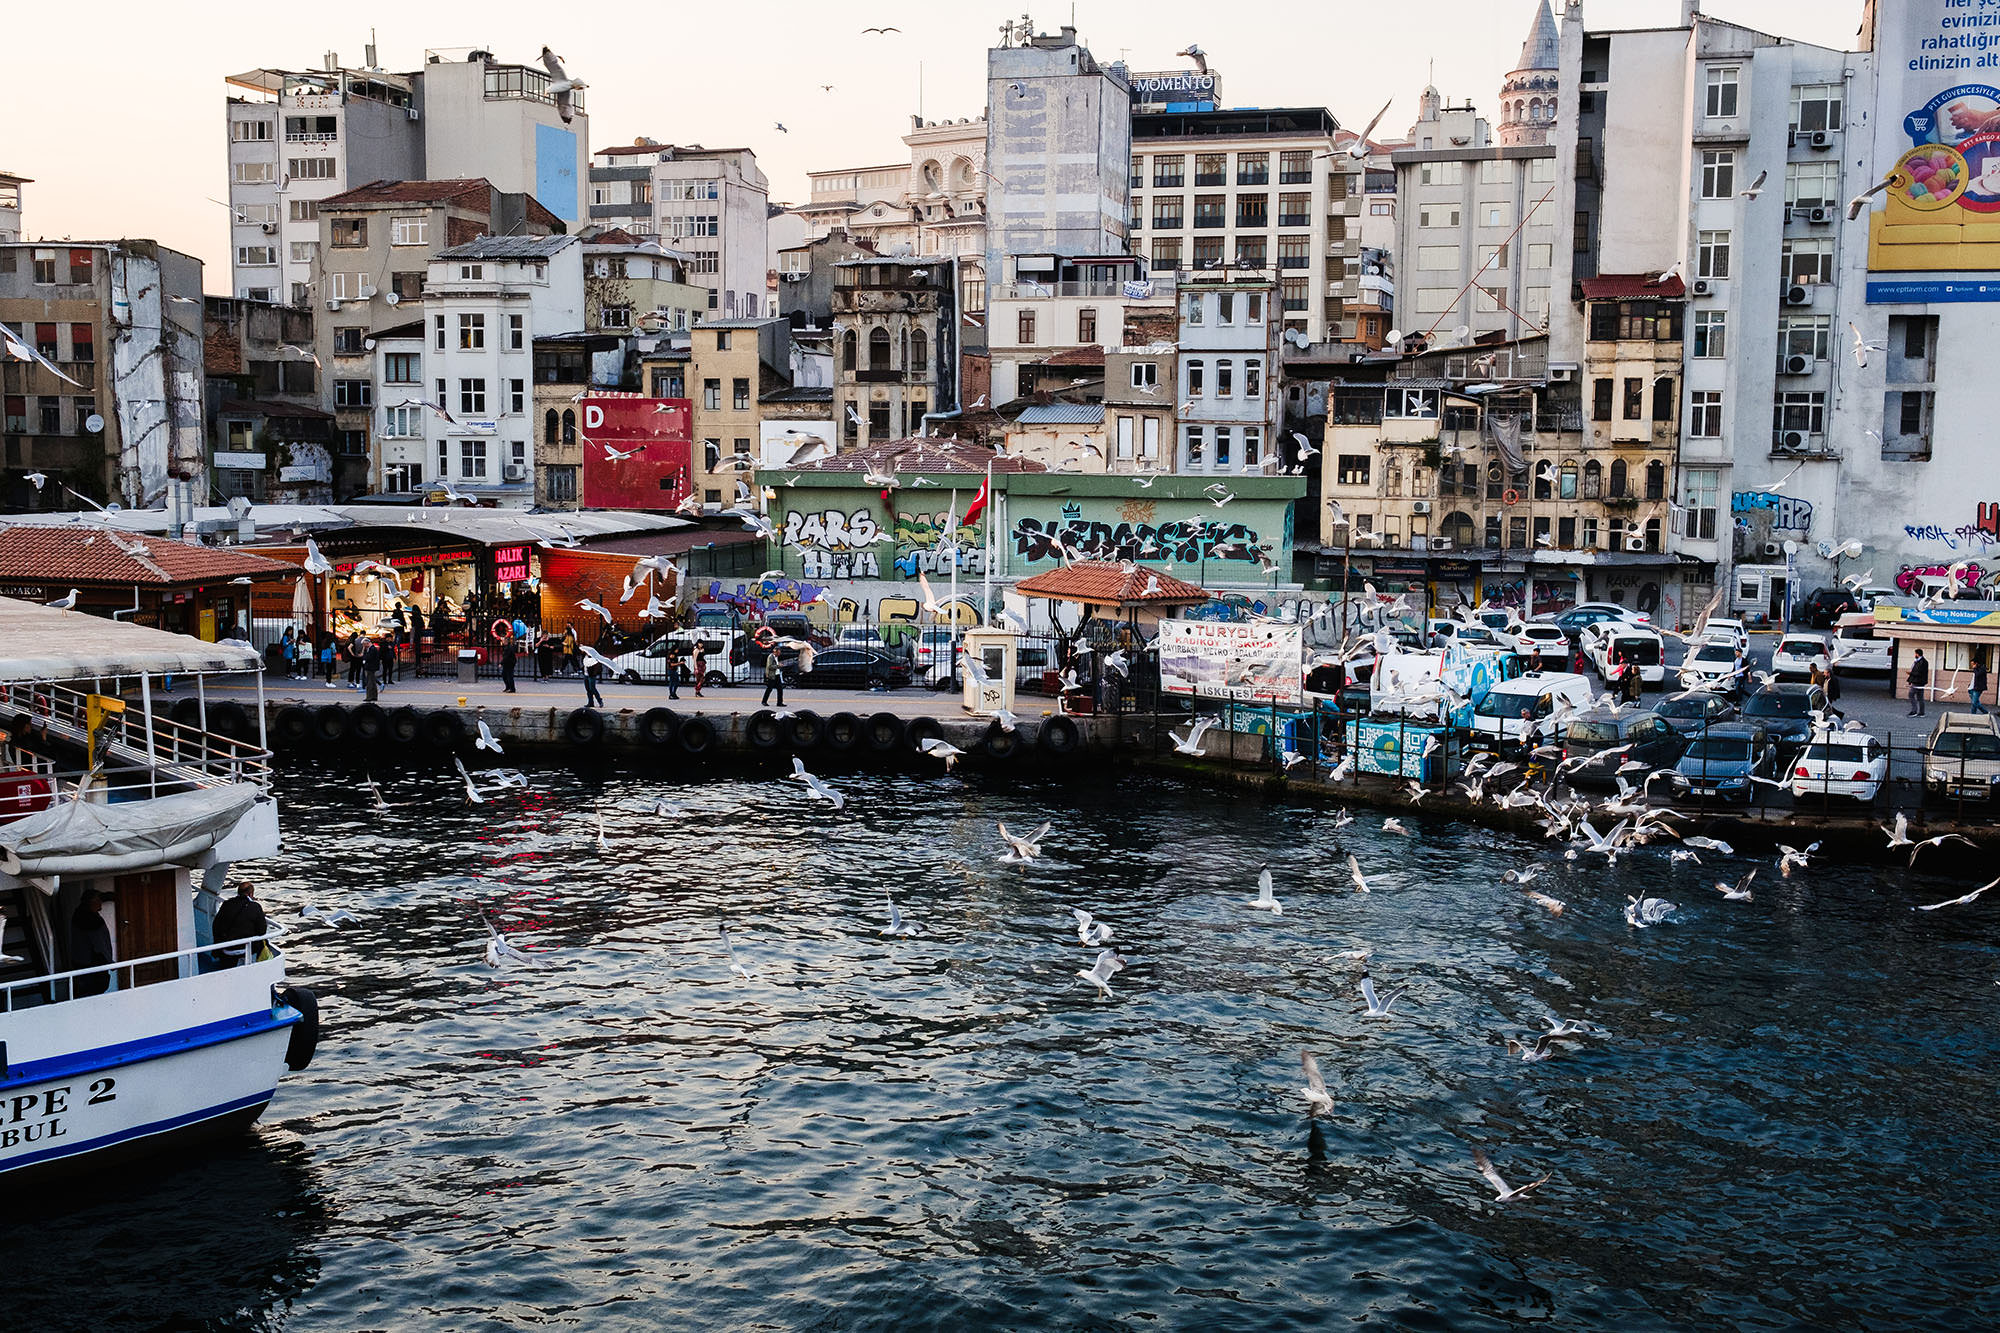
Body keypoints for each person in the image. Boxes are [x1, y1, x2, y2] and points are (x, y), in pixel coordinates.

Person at [68, 889, 115, 996]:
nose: (100, 902)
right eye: (98, 900)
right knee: (94, 989)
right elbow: (100, 945)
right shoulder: (91, 920)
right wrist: (109, 962)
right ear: (92, 902)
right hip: (91, 963)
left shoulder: (79, 912)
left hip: (80, 961)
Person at [211, 882, 268, 969]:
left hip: (226, 948)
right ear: (250, 894)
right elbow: (262, 931)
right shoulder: (255, 907)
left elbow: (216, 925)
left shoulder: (227, 904)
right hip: (245, 949)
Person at [761, 643, 786, 707]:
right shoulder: (771, 657)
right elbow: (770, 666)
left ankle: (779, 702)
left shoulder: (776, 657)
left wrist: (779, 665)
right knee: (769, 689)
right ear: (776, 652)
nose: (779, 654)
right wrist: (778, 666)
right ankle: (764, 701)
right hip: (772, 675)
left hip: (777, 675)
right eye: (779, 652)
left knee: (780, 689)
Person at [1908, 648, 1930, 716]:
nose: (1915, 655)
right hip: (1921, 682)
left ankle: (1914, 711)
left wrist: (1910, 674)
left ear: (1917, 654)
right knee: (1920, 697)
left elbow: (1919, 673)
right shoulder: (1922, 661)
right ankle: (1921, 712)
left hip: (1917, 681)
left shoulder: (1921, 662)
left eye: (1915, 654)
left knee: (1911, 695)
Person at [361, 635, 382, 702]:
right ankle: (374, 696)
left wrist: (364, 655)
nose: (364, 646)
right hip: (372, 667)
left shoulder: (372, 649)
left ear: (367, 643)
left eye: (364, 644)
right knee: (372, 682)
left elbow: (368, 657)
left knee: (369, 682)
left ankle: (369, 696)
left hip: (370, 667)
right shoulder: (372, 648)